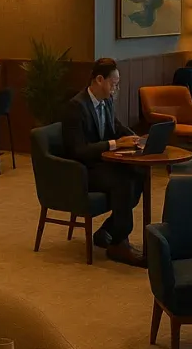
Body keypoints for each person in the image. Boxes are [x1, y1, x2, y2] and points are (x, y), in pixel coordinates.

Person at [60, 58, 146, 267]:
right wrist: (114, 144)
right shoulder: (76, 107)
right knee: (123, 182)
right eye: (113, 83)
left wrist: (137, 139)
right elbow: (78, 150)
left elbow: (115, 126)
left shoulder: (106, 101)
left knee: (139, 173)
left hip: (103, 164)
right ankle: (119, 243)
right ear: (99, 79)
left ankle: (107, 230)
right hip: (83, 169)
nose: (115, 89)